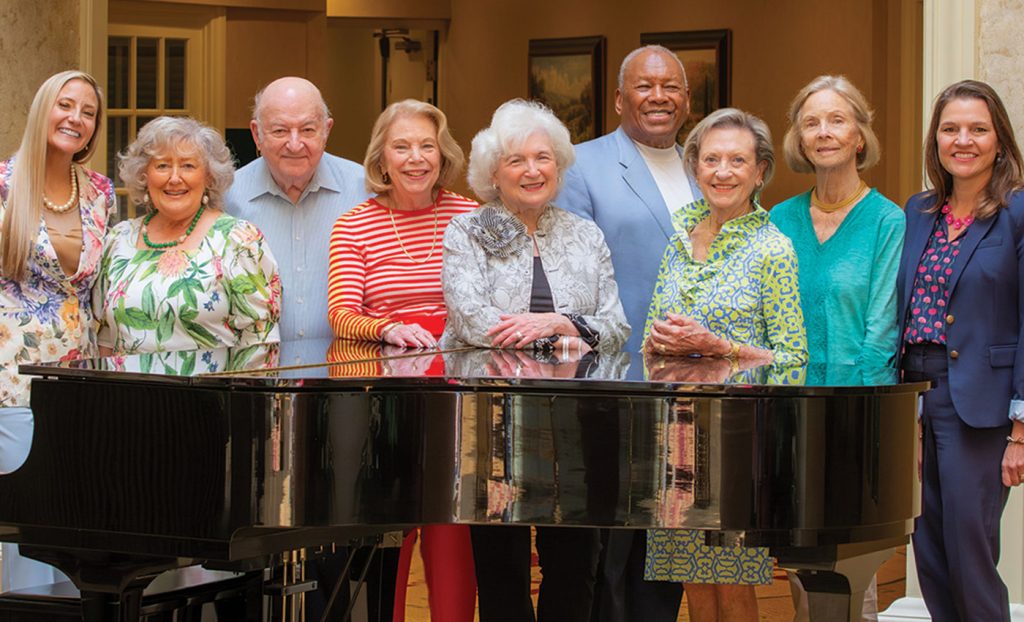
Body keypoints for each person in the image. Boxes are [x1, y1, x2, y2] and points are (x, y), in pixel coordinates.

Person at [441, 99, 629, 622]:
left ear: (559, 166)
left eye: (543, 158)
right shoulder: (467, 233)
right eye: (516, 160)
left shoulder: (584, 235)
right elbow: (476, 322)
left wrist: (562, 323)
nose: (532, 170)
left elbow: (615, 327)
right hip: (492, 425)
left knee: (575, 567)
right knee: (500, 574)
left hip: (578, 426)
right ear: (492, 173)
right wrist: (562, 334)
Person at [642, 108, 807, 622]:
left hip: (738, 439)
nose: (722, 171)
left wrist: (720, 348)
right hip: (675, 436)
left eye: (738, 160)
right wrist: (662, 346)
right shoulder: (676, 245)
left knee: (733, 584)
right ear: (695, 168)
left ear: (760, 171)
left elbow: (792, 357)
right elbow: (651, 341)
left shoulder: (773, 249)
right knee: (694, 582)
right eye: (711, 159)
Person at [557, 44, 699, 621]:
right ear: (619, 99)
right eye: (644, 86)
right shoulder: (583, 165)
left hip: (697, 387)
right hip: (617, 385)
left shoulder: (710, 162)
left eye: (671, 87)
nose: (658, 97)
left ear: (688, 100)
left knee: (681, 545)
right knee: (613, 551)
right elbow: (572, 281)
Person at [326, 99, 478, 622]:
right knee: (387, 535)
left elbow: (502, 301)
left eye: (426, 146)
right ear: (381, 158)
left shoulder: (473, 217)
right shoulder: (354, 224)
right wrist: (388, 328)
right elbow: (342, 314)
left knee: (451, 531)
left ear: (443, 154)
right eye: (401, 146)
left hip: (459, 398)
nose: (416, 158)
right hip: (382, 399)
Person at [770, 76, 904, 620]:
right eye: (811, 123)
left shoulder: (887, 221)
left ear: (859, 137)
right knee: (799, 561)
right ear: (799, 141)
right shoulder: (777, 220)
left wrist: (867, 424)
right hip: (786, 417)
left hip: (857, 416)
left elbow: (882, 330)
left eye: (836, 120)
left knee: (852, 567)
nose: (823, 132)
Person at [897, 79, 1024, 622]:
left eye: (978, 128)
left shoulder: (1016, 212)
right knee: (929, 551)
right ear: (936, 140)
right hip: (916, 398)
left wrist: (1021, 429)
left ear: (1000, 139)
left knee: (971, 554)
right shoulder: (919, 210)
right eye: (951, 129)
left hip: (983, 405)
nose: (963, 140)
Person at [0, 70, 112, 592]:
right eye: (65, 106)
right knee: (23, 526)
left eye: (87, 112)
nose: (76, 119)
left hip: (78, 383)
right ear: (43, 109)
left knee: (69, 523)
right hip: (11, 384)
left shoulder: (99, 192)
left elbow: (95, 291)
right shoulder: (3, 183)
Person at [94, 116, 280, 355]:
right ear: (144, 175)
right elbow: (106, 337)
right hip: (125, 392)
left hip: (212, 393)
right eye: (162, 165)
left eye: (188, 166)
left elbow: (260, 342)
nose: (174, 178)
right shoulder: (119, 240)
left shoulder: (239, 241)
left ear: (209, 176)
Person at [225, 76, 369, 351]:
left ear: (326, 130)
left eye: (307, 130)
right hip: (254, 376)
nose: (294, 144)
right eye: (280, 131)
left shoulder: (365, 190)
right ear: (256, 134)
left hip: (347, 374)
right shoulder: (226, 197)